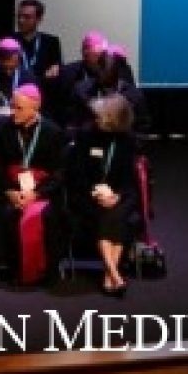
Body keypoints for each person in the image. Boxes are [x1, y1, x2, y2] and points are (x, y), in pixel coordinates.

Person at [0, 84, 68, 287]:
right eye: (12, 106)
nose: (13, 112)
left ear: (35, 107)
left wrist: (36, 193)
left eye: (19, 108)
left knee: (47, 215)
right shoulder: (2, 128)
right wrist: (9, 191)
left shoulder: (53, 131)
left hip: (43, 192)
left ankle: (42, 271)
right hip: (10, 189)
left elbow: (59, 173)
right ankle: (9, 270)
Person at [68, 94, 143, 297]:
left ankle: (110, 275)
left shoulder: (128, 140)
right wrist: (95, 193)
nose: (98, 118)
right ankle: (114, 275)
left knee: (115, 214)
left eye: (103, 116)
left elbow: (129, 179)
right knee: (108, 216)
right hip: (88, 194)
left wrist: (116, 196)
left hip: (119, 195)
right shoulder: (86, 135)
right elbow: (77, 173)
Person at [0, 38, 34, 122]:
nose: (8, 72)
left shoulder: (28, 78)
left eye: (12, 68)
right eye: (5, 68)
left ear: (18, 61)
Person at [13, 0, 66, 84]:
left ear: (39, 19)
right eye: (19, 16)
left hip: (43, 87)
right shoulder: (9, 41)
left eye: (27, 17)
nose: (21, 20)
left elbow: (57, 68)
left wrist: (55, 70)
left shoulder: (51, 42)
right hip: (15, 87)